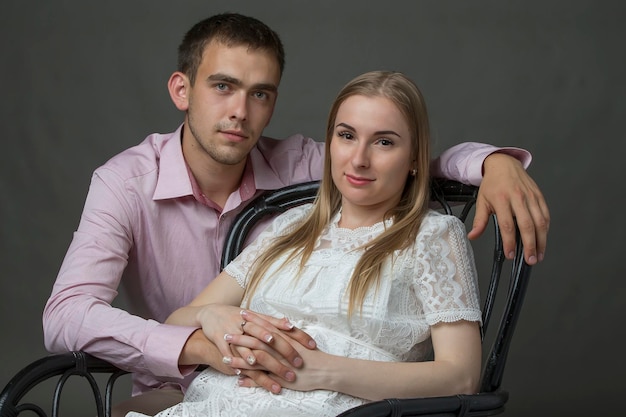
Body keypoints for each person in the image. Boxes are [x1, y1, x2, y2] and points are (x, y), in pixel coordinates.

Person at [42, 12, 548, 416]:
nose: (240, 111)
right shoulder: (136, 185)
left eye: (259, 93)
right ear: (182, 90)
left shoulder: (309, 170)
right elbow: (68, 314)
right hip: (190, 384)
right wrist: (204, 338)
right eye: (222, 86)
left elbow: (409, 165)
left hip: (326, 398)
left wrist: (491, 163)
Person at [127, 70, 483, 417]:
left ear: (415, 159)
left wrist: (323, 372)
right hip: (223, 403)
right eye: (346, 136)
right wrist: (212, 314)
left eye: (384, 142)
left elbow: (461, 376)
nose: (358, 159)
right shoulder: (290, 227)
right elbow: (176, 322)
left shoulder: (431, 237)